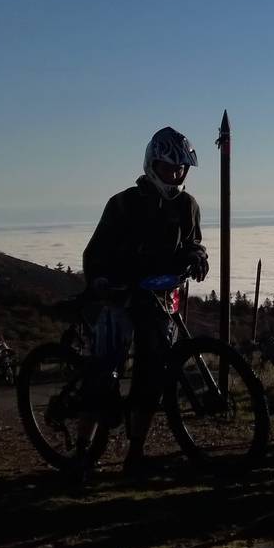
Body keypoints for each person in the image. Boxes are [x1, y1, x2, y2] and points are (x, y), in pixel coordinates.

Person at [81, 126, 209, 476]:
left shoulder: (188, 206)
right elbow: (95, 252)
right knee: (103, 373)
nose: (176, 174)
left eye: (181, 168)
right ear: (153, 164)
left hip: (159, 297)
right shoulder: (123, 204)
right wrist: (101, 280)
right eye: (169, 168)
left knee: (152, 375)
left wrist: (198, 256)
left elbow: (194, 242)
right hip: (120, 296)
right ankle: (84, 451)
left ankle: (134, 453)